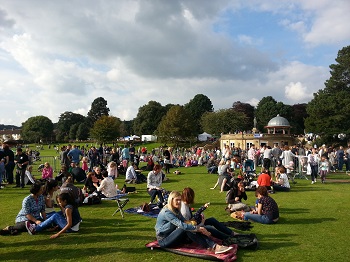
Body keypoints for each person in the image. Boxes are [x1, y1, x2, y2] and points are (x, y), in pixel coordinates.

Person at [154, 191, 233, 254]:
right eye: (176, 200)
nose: (179, 202)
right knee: (185, 229)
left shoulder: (176, 210)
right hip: (164, 240)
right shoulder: (167, 212)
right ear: (171, 200)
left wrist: (200, 229)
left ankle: (220, 242)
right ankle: (214, 246)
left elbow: (185, 221)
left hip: (173, 235)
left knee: (194, 228)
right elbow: (182, 225)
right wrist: (198, 228)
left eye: (179, 200)